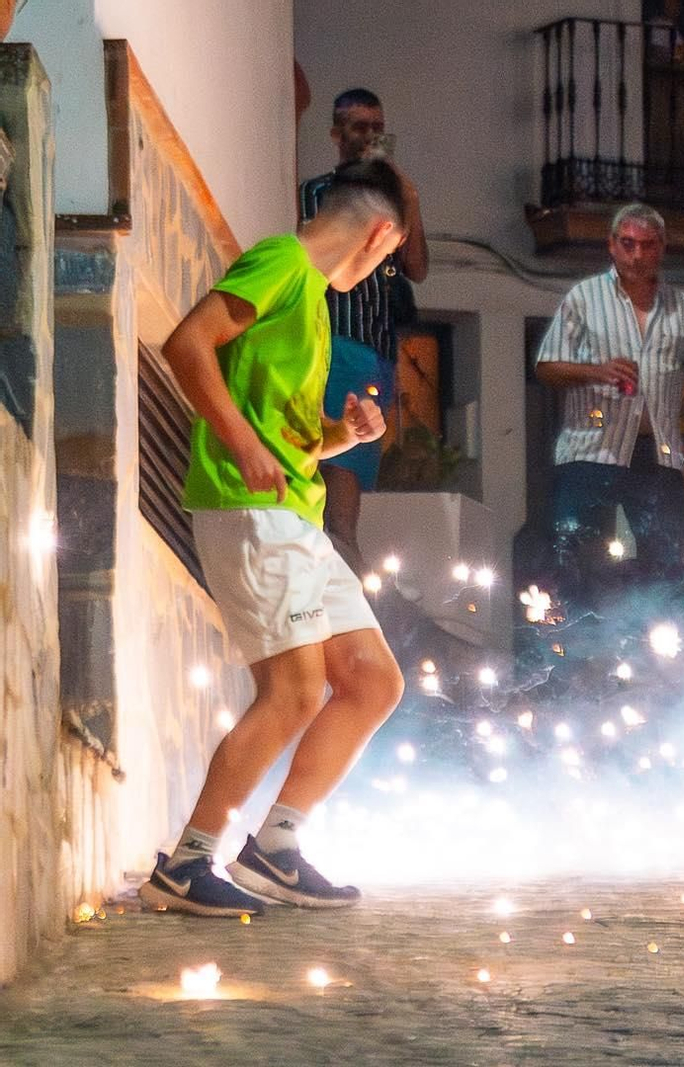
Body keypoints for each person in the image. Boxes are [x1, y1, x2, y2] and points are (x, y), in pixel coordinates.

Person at [139, 160, 409, 917]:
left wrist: (340, 433)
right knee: (292, 692)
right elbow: (187, 342)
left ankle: (276, 848)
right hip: (250, 510)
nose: (382, 268)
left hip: (297, 512)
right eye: (388, 257)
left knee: (371, 679)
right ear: (380, 234)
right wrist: (242, 445)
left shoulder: (314, 302)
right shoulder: (281, 262)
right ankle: (187, 863)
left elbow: (291, 439)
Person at [534, 202, 684, 609]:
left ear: (662, 248)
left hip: (655, 449)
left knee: (670, 559)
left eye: (647, 245)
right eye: (628, 244)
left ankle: (664, 648)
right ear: (612, 246)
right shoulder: (584, 297)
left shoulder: (680, 308)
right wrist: (594, 371)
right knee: (576, 550)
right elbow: (547, 367)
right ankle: (579, 649)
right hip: (591, 447)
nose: (637, 255)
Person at [299, 88, 428, 572]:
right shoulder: (316, 194)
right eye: (358, 127)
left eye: (377, 127)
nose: (369, 137)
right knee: (329, 497)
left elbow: (416, 267)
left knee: (346, 499)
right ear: (337, 135)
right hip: (330, 344)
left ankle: (345, 596)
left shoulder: (395, 202)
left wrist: (408, 196)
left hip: (373, 352)